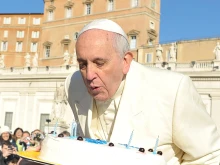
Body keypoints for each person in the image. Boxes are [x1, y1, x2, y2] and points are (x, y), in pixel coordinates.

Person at [65, 19, 220, 165]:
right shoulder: (73, 85)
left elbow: (210, 157)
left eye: (99, 63)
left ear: (125, 61)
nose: (89, 75)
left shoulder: (173, 89)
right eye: (83, 64)